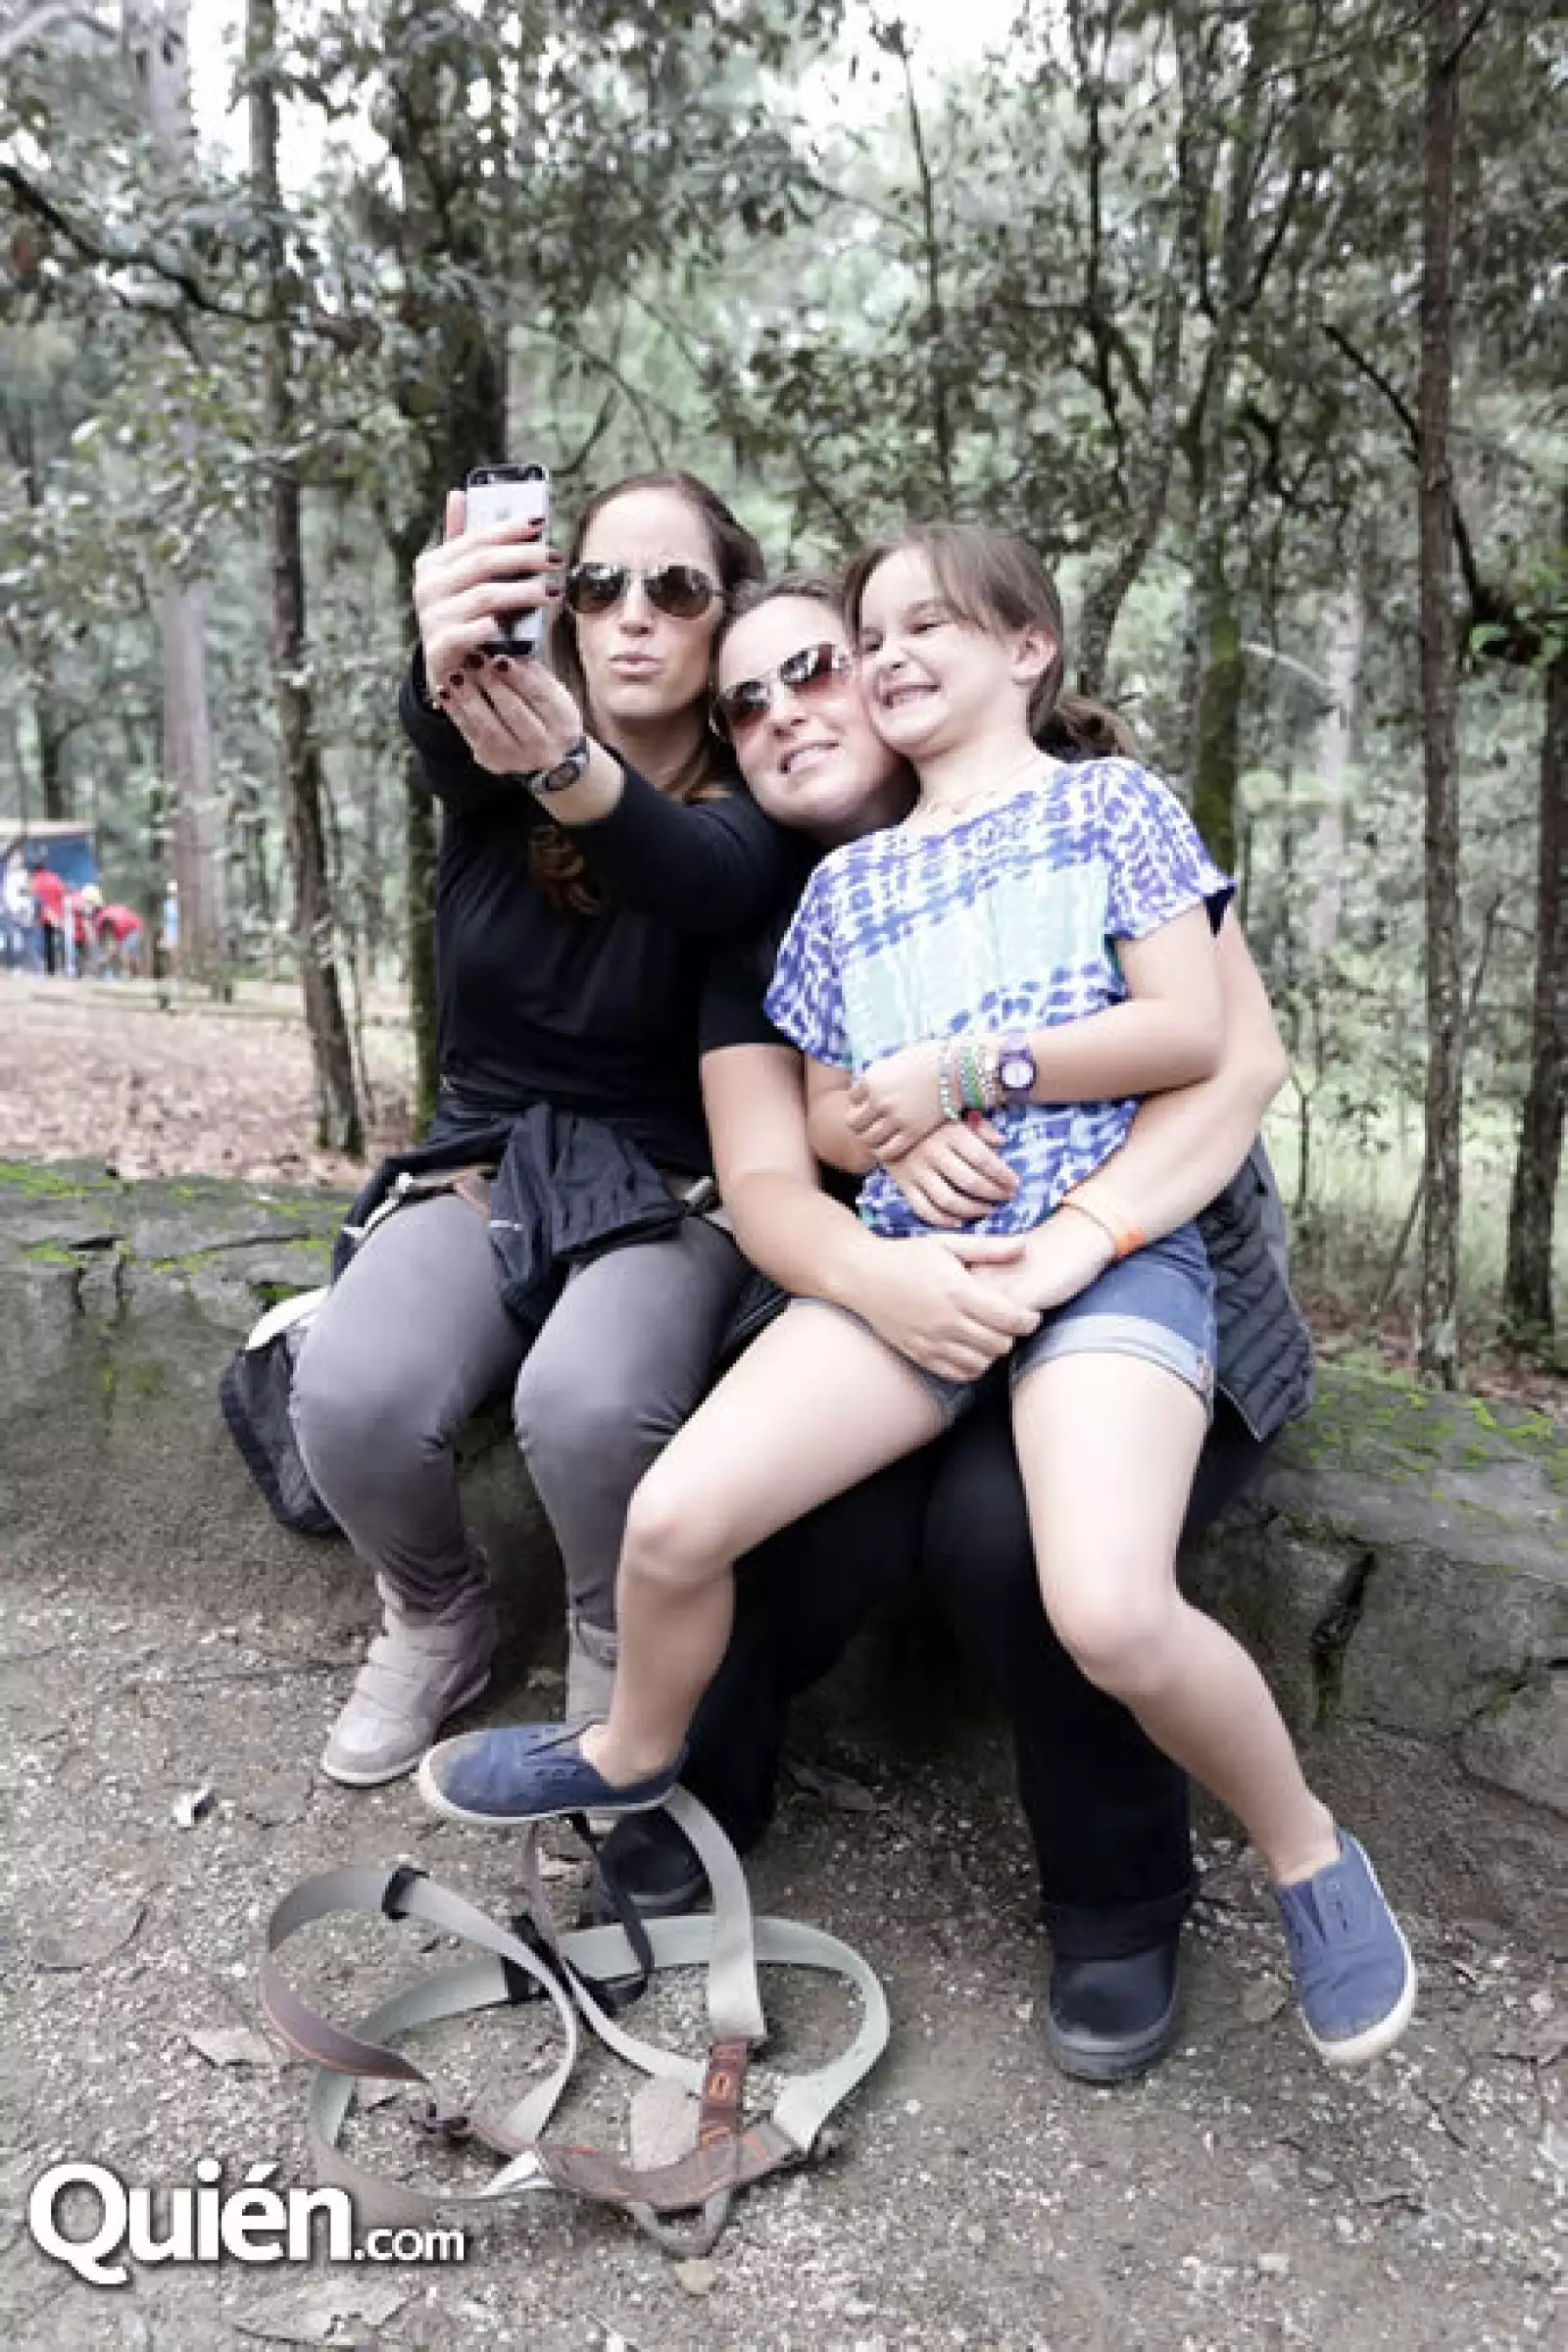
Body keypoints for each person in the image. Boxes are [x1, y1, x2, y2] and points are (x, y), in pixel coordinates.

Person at [422, 529, 1415, 2073]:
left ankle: (1124, 1904)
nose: (795, 709)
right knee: (751, 1513)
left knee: (1011, 1540)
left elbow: (1231, 1058)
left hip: (1144, 1251)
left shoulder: (1095, 813)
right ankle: (671, 1789)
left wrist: (1027, 1162)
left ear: (972, 661)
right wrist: (887, 1214)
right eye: (747, 703)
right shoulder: (785, 908)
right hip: (901, 1288)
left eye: (824, 663)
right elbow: (777, 1164)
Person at [289, 468, 803, 1788]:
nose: (634, 615)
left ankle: (612, 1644)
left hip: (668, 1187)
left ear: (720, 619)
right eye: (599, 584)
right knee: (348, 1392)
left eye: (675, 589)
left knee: (589, 1403)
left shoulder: (762, 805)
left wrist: (569, 761)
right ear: (559, 608)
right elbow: (436, 718)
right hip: (484, 1157)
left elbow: (696, 877)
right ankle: (438, 1616)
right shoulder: (486, 768)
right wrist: (442, 638)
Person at [28, 858, 66, 977]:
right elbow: (61, 894)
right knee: (55, 942)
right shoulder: (55, 878)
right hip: (55, 915)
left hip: (41, 916)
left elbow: (31, 897)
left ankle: (45, 969)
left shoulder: (35, 881)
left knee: (43, 942)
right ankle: (57, 968)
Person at [93, 899, 146, 979]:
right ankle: (138, 975)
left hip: (135, 929)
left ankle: (127, 973)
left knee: (124, 951)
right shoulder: (105, 918)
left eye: (108, 928)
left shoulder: (118, 925)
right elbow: (112, 945)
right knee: (132, 954)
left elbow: (117, 947)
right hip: (132, 926)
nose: (108, 930)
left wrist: (105, 957)